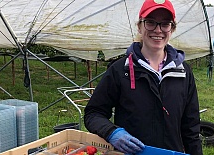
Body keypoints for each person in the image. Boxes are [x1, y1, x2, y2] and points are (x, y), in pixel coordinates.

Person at [84, 0, 203, 154]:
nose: (158, 30)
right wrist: (111, 132)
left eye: (165, 24)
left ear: (172, 29)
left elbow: (191, 128)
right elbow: (93, 113)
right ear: (140, 27)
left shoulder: (183, 72)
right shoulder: (121, 70)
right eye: (150, 22)